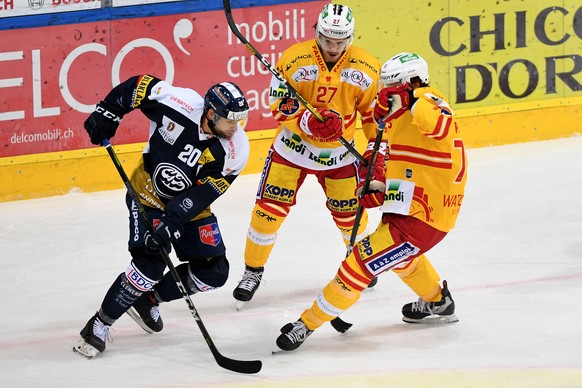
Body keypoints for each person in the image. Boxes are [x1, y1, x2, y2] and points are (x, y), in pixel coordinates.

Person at [275, 52, 468, 351]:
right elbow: (383, 147)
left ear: (410, 83)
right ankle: (438, 302)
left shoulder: (430, 100)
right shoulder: (400, 113)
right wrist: (374, 177)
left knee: (359, 264)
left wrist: (411, 99)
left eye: (391, 87)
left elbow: (439, 126)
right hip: (408, 204)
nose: (383, 95)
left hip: (426, 216)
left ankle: (306, 323)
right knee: (402, 260)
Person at [73, 75, 250, 358]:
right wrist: (108, 111)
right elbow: (138, 85)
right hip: (147, 194)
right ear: (212, 113)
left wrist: (173, 221)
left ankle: (147, 300)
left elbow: (205, 193)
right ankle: (99, 324)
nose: (235, 127)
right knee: (149, 264)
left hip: (190, 209)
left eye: (239, 121)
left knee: (214, 272)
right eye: (230, 120)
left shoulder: (235, 149)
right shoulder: (178, 103)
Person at [233, 3, 381, 308]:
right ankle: (252, 271)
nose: (333, 47)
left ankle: (358, 262)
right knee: (266, 213)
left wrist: (374, 152)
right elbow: (279, 103)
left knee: (349, 217)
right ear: (317, 33)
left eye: (340, 41)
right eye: (328, 40)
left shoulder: (366, 68)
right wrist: (307, 121)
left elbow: (371, 116)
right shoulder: (294, 58)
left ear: (350, 38)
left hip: (340, 157)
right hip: (292, 151)